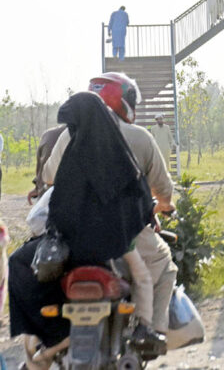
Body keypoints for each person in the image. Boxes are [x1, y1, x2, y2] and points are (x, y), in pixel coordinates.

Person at [9, 90, 165, 369]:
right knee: (142, 276)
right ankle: (144, 327)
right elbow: (139, 197)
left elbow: (55, 200)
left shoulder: (71, 154)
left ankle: (45, 337)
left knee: (21, 265)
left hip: (71, 247)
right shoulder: (118, 152)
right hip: (114, 245)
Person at [44, 74, 176, 347]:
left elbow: (50, 177)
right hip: (122, 230)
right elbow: (161, 189)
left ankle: (43, 346)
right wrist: (164, 206)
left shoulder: (69, 135)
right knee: (164, 266)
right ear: (123, 101)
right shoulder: (139, 137)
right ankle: (149, 330)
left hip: (74, 230)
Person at [26, 125, 66, 204]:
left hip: (46, 193)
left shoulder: (48, 134)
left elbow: (41, 166)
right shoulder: (79, 133)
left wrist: (38, 188)